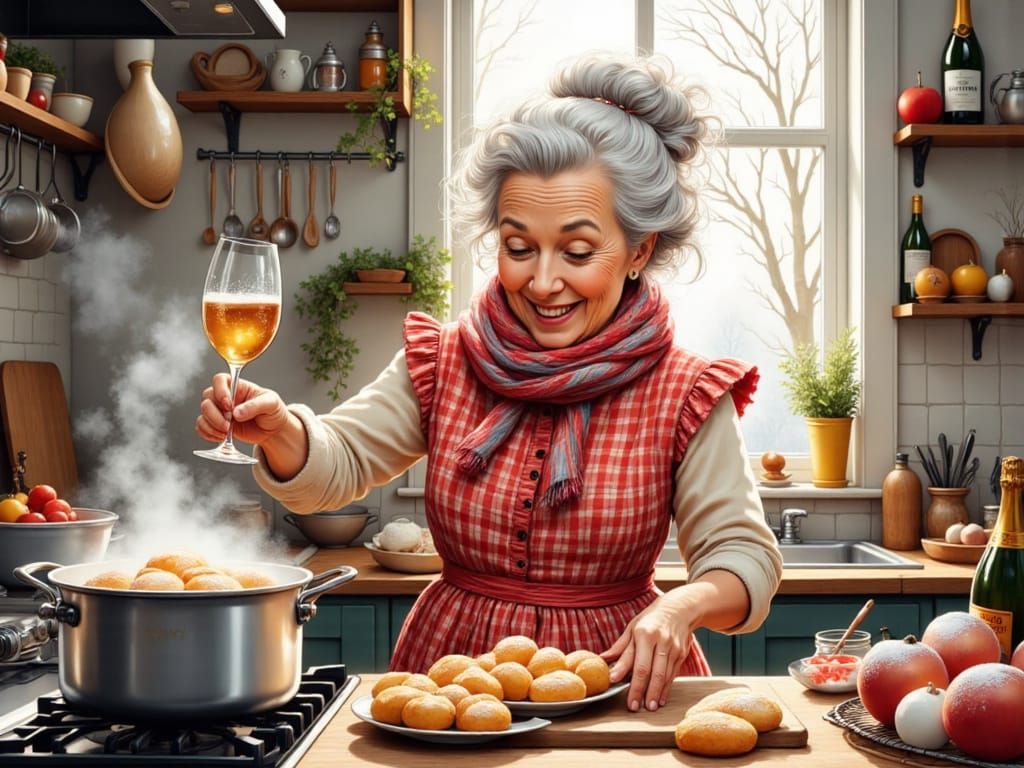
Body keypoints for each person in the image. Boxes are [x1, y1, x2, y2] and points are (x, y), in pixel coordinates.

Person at [196, 53, 782, 713]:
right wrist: (281, 431)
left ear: (639, 250)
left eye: (578, 252)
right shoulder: (446, 359)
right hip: (452, 684)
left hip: (615, 685)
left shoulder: (686, 391)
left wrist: (682, 606)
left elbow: (743, 555)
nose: (544, 281)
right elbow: (344, 461)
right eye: (518, 247)